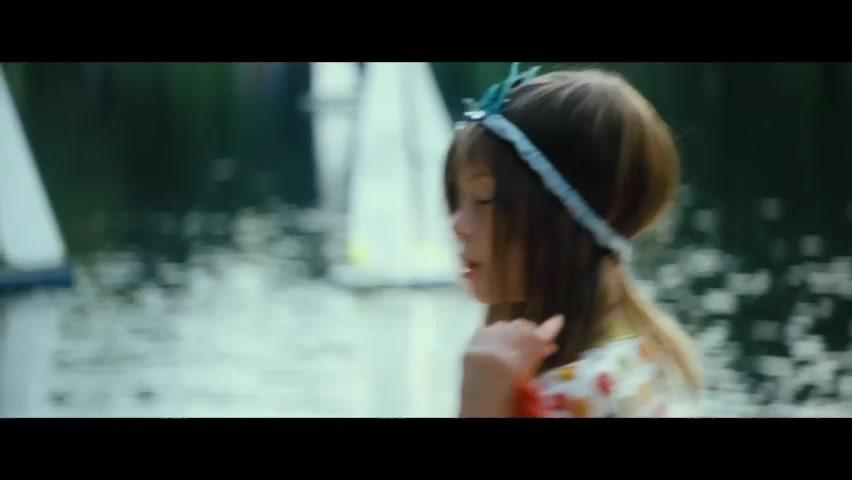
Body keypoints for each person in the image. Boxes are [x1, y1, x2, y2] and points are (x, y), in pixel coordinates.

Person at [446, 63, 702, 418]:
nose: (457, 224)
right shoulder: (634, 351)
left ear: (564, 220)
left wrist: (478, 405)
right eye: (458, 199)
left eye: (485, 199)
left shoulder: (573, 394)